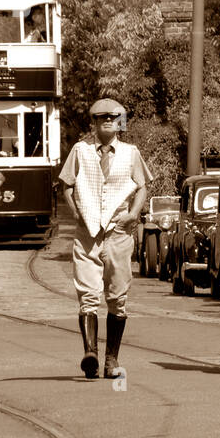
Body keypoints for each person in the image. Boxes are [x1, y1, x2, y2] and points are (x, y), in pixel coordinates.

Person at [58, 98, 152, 378]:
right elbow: (65, 185)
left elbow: (143, 186)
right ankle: (91, 355)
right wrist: (77, 214)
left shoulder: (131, 153)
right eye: (102, 118)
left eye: (113, 117)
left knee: (117, 297)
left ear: (120, 122)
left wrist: (133, 214)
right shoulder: (80, 150)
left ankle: (112, 359)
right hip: (87, 234)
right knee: (88, 295)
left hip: (118, 233)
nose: (108, 121)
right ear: (94, 123)